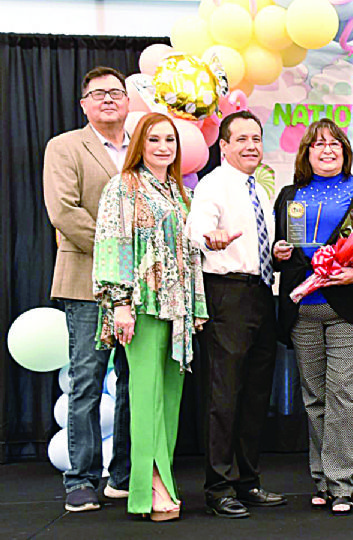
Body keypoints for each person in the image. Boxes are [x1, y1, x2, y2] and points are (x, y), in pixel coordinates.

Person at [92, 112, 207, 520]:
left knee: (170, 400)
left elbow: (188, 251)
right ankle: (148, 488)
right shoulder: (123, 187)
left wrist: (197, 306)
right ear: (140, 143)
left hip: (176, 310)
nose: (163, 147)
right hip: (140, 307)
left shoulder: (178, 192)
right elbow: (112, 243)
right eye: (154, 139)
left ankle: (164, 479)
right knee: (145, 398)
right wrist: (120, 303)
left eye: (170, 140)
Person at [274, 118, 353, 516]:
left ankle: (341, 484)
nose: (327, 151)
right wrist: (279, 253)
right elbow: (281, 251)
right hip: (304, 312)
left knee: (343, 395)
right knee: (315, 400)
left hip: (350, 313)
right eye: (318, 145)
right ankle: (321, 480)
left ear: (345, 152)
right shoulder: (290, 195)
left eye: (334, 145)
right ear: (306, 153)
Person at [186, 111, 287, 518]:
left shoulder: (258, 189)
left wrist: (276, 253)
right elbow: (196, 230)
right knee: (223, 395)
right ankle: (218, 487)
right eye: (241, 138)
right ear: (223, 145)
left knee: (254, 395)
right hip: (226, 296)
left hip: (262, 293)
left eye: (256, 138)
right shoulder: (213, 185)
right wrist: (210, 238)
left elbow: (256, 245)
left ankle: (248, 481)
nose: (251, 146)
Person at [42, 66, 132, 513]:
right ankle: (80, 479)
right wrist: (119, 253)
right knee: (86, 383)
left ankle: (125, 476)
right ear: (84, 105)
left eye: (116, 92)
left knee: (137, 384)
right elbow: (64, 211)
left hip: (142, 288)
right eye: (99, 94)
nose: (109, 100)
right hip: (86, 283)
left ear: (128, 101)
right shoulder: (64, 147)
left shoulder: (141, 147)